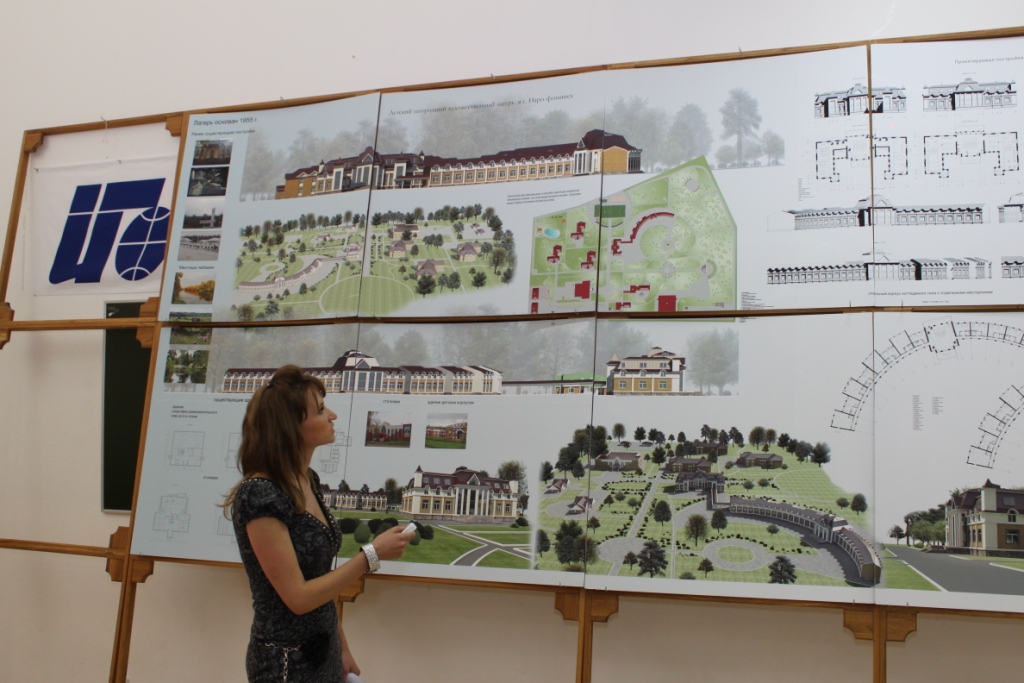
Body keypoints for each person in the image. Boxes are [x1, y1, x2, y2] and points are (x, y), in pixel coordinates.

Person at [223, 365, 412, 682]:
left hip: (323, 653)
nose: (332, 416)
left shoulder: (307, 480)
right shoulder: (259, 495)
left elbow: (320, 580)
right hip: (285, 664)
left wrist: (342, 647)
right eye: (321, 410)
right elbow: (298, 598)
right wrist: (371, 555)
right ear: (291, 426)